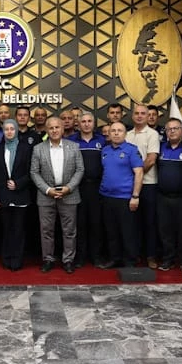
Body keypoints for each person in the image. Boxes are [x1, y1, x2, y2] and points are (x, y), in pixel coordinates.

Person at [30, 117, 85, 274]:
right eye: (51, 128)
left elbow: (80, 170)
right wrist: (48, 190)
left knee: (69, 231)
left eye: (57, 127)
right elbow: (34, 172)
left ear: (62, 129)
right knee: (46, 231)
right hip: (46, 195)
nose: (54, 130)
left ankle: (68, 260)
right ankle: (48, 259)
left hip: (69, 194)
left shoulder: (74, 147)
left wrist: (69, 188)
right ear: (47, 130)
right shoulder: (38, 149)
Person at [99, 122, 143, 268]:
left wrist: (135, 196)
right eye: (113, 131)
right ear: (109, 134)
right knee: (111, 231)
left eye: (119, 130)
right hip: (106, 196)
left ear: (125, 134)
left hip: (125, 197)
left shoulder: (132, 150)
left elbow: (139, 173)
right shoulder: (105, 150)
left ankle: (130, 260)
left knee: (127, 231)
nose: (116, 133)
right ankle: (114, 258)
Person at [0, 119, 33, 271]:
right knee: (6, 229)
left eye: (12, 129)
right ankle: (6, 258)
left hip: (21, 195)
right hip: (4, 196)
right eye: (6, 129)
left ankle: (17, 259)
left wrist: (18, 183)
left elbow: (31, 172)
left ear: (16, 131)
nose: (9, 132)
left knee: (18, 229)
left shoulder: (26, 148)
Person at [68, 112, 106, 267]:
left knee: (96, 223)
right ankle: (80, 257)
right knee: (79, 223)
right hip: (77, 187)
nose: (86, 124)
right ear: (78, 124)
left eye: (89, 121)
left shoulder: (102, 140)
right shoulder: (71, 141)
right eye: (83, 121)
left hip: (97, 187)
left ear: (94, 123)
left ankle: (96, 256)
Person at [126, 104, 160, 268]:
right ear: (132, 116)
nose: (139, 116)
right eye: (136, 113)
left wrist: (136, 175)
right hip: (130, 186)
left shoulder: (153, 134)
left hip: (148, 184)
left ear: (147, 116)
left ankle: (151, 256)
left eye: (143, 113)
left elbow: (151, 160)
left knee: (150, 222)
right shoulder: (127, 135)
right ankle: (135, 255)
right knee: (133, 223)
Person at [156, 118, 182, 271]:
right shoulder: (161, 147)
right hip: (163, 197)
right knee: (165, 230)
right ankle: (168, 259)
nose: (172, 131)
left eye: (176, 128)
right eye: (169, 129)